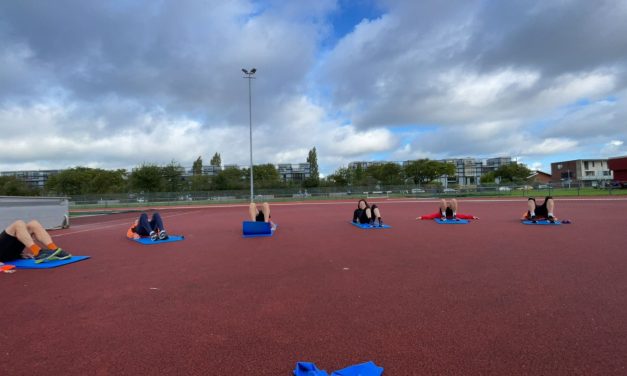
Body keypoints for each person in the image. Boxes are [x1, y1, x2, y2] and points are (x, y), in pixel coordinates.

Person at [0, 220, 72, 264]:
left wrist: (20, 254)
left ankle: (55, 250)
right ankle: (37, 251)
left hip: (10, 254)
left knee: (33, 224)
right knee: (18, 223)